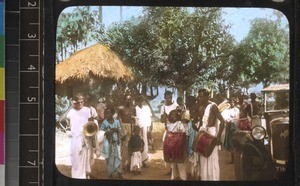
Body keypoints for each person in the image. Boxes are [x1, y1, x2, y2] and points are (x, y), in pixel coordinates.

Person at [66, 93, 98, 179]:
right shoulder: (71, 111)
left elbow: (91, 122)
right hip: (75, 137)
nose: (80, 104)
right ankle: (76, 176)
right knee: (75, 157)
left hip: (85, 137)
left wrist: (91, 128)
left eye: (82, 102)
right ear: (74, 102)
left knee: (84, 157)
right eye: (78, 102)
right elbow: (68, 123)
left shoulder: (87, 110)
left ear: (83, 102)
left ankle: (83, 176)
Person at [197, 89, 225, 181]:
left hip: (212, 134)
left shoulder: (213, 106)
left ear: (207, 96)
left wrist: (218, 137)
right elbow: (201, 123)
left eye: (202, 96)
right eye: (199, 96)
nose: (200, 98)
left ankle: (214, 179)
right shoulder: (200, 107)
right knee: (203, 158)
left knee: (213, 158)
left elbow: (222, 122)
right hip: (204, 133)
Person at [100, 107, 124, 179]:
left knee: (118, 157)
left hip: (116, 142)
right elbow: (101, 133)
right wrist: (108, 132)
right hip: (108, 142)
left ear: (113, 113)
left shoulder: (116, 122)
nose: (107, 114)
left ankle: (119, 172)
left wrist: (116, 129)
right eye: (106, 113)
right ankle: (110, 173)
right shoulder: (104, 122)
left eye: (109, 113)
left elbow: (120, 130)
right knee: (109, 158)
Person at [166, 110, 188, 180]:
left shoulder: (180, 124)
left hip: (179, 146)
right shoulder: (170, 125)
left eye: (172, 116)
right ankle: (174, 176)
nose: (170, 117)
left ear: (176, 117)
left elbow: (184, 134)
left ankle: (183, 177)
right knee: (174, 162)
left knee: (180, 162)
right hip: (172, 147)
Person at [118, 94, 136, 172]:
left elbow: (135, 119)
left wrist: (133, 129)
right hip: (123, 128)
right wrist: (122, 130)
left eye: (130, 99)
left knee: (130, 147)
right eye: (127, 99)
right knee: (123, 147)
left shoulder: (133, 109)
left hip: (131, 127)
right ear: (124, 100)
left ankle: (129, 165)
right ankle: (123, 165)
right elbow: (119, 119)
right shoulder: (121, 108)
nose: (128, 101)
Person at [135, 96, 152, 167]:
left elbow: (149, 118)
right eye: (139, 100)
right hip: (137, 130)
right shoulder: (135, 109)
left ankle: (143, 160)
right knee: (137, 144)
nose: (141, 102)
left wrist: (150, 128)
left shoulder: (146, 108)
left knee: (144, 144)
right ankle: (137, 162)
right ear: (136, 101)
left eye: (142, 100)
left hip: (145, 128)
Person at [222, 98, 240, 164]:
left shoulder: (236, 109)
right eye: (231, 102)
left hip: (234, 127)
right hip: (229, 127)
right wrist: (226, 120)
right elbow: (223, 117)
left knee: (235, 142)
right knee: (230, 142)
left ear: (234, 103)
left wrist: (231, 120)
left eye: (233, 102)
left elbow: (237, 118)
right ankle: (232, 159)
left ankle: (236, 159)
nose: (232, 103)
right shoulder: (227, 110)